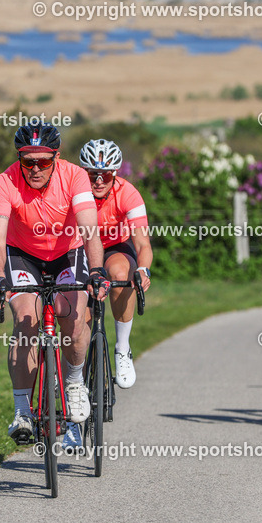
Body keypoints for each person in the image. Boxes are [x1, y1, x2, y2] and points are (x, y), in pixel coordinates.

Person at [0, 122, 109, 447]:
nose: (35, 168)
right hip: (24, 255)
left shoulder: (74, 177)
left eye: (43, 161)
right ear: (19, 159)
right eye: (28, 162)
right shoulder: (4, 182)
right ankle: (22, 410)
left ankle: (73, 383)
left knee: (71, 316)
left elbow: (90, 229)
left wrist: (96, 270)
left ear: (56, 156)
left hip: (68, 253)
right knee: (26, 321)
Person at [78, 139, 153, 389]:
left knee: (121, 273)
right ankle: (72, 366)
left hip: (115, 248)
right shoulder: (73, 191)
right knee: (77, 310)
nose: (99, 180)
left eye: (106, 174)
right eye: (92, 174)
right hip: (80, 248)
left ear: (115, 174)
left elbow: (142, 243)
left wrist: (142, 269)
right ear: (83, 173)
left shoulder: (128, 193)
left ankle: (122, 348)